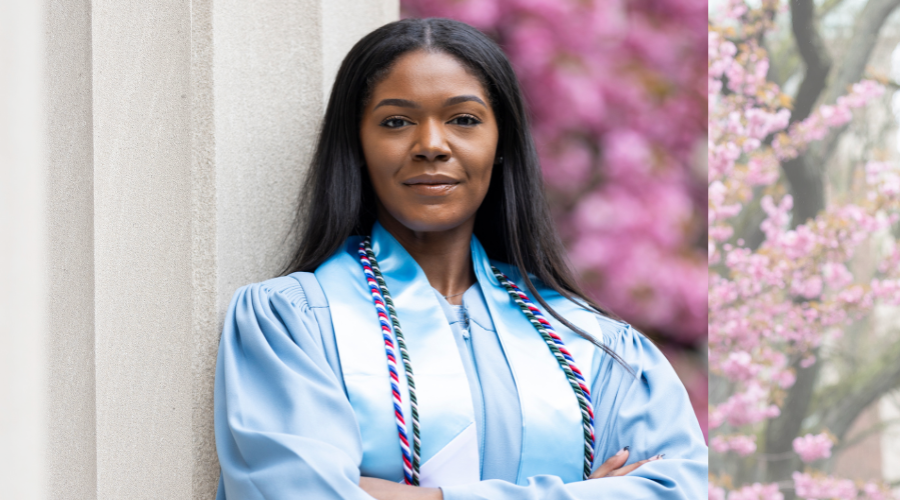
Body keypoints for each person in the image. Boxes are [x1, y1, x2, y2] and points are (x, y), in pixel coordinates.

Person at [214, 18, 707, 500]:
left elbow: (684, 486)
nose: (431, 145)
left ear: (500, 144)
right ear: (358, 145)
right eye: (396, 121)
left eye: (464, 120)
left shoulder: (594, 347)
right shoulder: (292, 325)